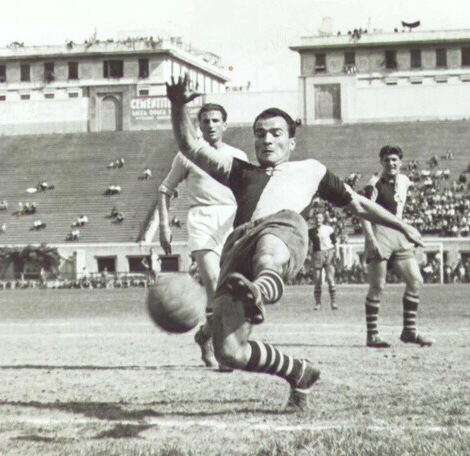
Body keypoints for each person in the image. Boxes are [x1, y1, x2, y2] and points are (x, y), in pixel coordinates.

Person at [166, 75, 423, 411]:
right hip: (239, 246)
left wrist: (400, 224)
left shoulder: (310, 170)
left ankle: (259, 289)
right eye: (259, 134)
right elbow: (190, 147)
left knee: (270, 249)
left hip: (284, 229)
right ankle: (299, 372)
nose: (266, 140)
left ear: (291, 142)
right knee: (230, 351)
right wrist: (177, 106)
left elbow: (358, 203)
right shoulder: (239, 171)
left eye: (276, 133)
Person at [157, 102, 248, 370]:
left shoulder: (237, 155)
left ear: (224, 125)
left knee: (231, 290)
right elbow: (165, 189)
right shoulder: (187, 154)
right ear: (199, 125)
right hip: (202, 218)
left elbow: (246, 191)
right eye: (205, 121)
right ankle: (223, 353)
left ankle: (205, 335)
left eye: (215, 120)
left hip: (231, 219)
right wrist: (164, 225)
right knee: (214, 282)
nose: (210, 125)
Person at [361, 145, 434, 349]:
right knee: (378, 286)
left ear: (401, 162)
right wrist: (370, 239)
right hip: (380, 233)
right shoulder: (375, 183)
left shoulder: (404, 181)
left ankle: (409, 331)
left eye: (394, 160)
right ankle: (372, 335)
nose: (391, 163)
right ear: (381, 163)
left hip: (399, 233)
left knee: (416, 280)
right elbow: (363, 210)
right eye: (386, 160)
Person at [308, 212, 338, 310]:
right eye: (316, 218)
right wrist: (308, 254)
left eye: (320, 218)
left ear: (323, 219)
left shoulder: (328, 229)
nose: (318, 220)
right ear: (314, 220)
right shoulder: (311, 231)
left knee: (330, 279)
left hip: (328, 253)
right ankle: (318, 303)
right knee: (317, 280)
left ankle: (333, 303)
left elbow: (335, 242)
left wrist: (336, 253)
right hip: (317, 254)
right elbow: (309, 244)